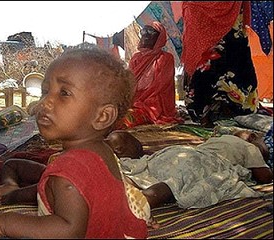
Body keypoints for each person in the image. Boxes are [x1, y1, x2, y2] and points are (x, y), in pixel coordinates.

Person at [0, 48, 150, 239]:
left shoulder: (71, 167)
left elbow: (69, 230)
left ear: (102, 116)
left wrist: (3, 222)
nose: (45, 102)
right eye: (45, 91)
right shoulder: (103, 153)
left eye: (64, 93)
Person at [105, 130, 273, 209]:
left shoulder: (219, 139)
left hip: (177, 152)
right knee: (173, 183)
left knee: (151, 170)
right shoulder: (249, 147)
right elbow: (264, 176)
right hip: (200, 161)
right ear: (251, 137)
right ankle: (142, 200)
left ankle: (126, 182)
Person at [181, 2, 262, 127]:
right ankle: (209, 111)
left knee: (230, 56)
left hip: (230, 13)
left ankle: (223, 109)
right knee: (207, 61)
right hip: (203, 15)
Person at [118, 21, 183, 129]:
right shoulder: (136, 57)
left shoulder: (166, 58)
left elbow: (159, 86)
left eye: (151, 33)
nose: (146, 36)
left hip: (154, 105)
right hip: (135, 101)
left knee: (124, 120)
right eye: (144, 32)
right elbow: (129, 82)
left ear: (159, 38)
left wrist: (138, 102)